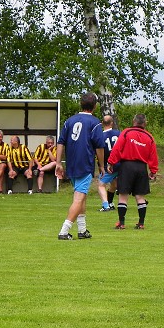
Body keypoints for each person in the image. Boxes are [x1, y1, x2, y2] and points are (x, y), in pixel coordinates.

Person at [56, 92, 105, 240]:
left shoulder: (69, 121)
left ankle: (82, 230)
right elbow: (99, 147)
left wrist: (58, 162)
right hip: (85, 164)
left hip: (72, 164)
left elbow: (60, 142)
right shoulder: (95, 122)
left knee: (82, 196)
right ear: (95, 106)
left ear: (80, 104)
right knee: (78, 198)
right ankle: (64, 231)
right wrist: (102, 166)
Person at [107, 113, 158, 229]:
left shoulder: (126, 132)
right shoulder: (149, 137)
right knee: (140, 197)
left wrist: (111, 162)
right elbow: (153, 156)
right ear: (145, 123)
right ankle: (141, 223)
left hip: (127, 166)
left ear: (133, 121)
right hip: (141, 168)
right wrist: (153, 170)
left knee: (123, 195)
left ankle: (121, 223)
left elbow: (117, 148)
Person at [97, 115, 120, 211]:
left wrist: (100, 165)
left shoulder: (100, 136)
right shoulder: (119, 133)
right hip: (120, 163)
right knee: (114, 183)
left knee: (101, 184)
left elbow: (99, 151)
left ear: (102, 124)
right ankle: (110, 203)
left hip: (108, 164)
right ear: (112, 123)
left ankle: (105, 205)